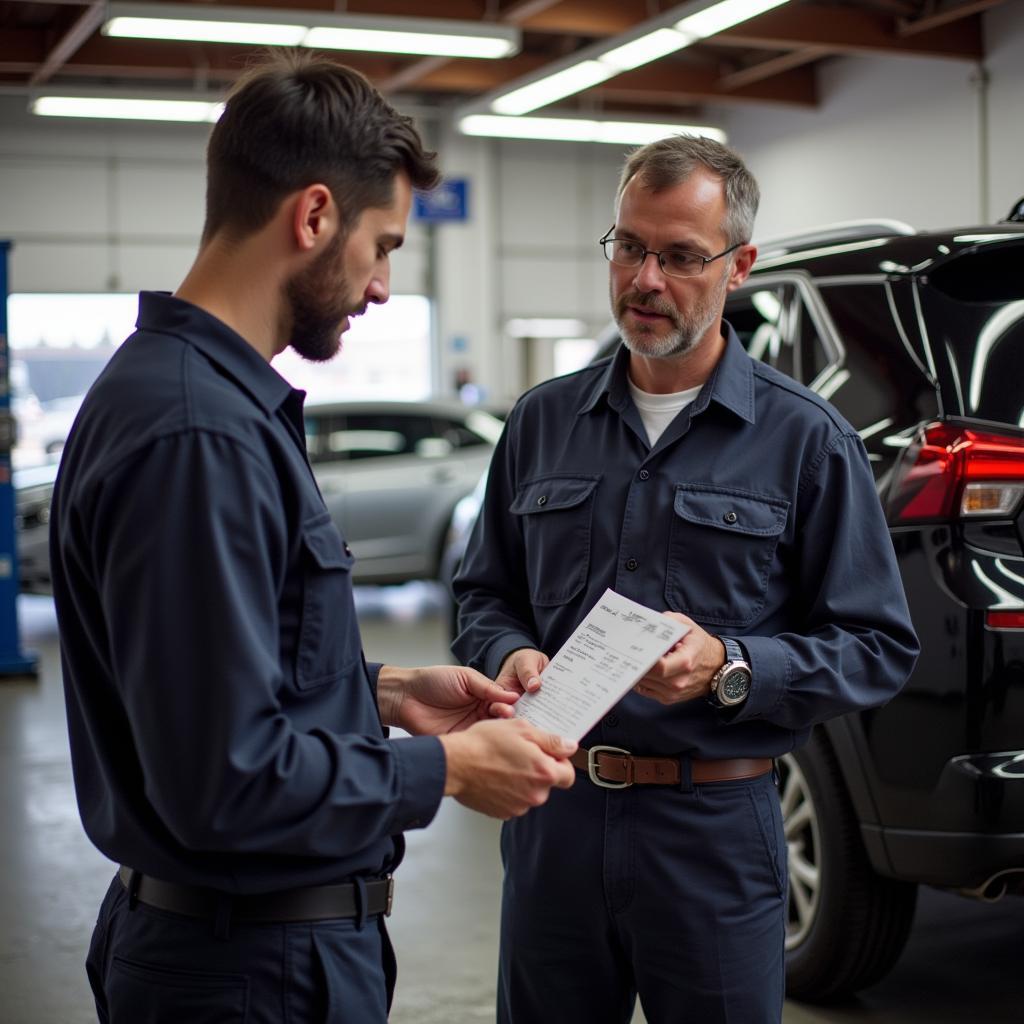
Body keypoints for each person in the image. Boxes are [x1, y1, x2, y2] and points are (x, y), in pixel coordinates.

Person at [50, 52, 577, 1024]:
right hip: (247, 970)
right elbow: (225, 778)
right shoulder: (196, 432)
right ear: (314, 215)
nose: (380, 286)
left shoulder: (193, 399)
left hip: (244, 952)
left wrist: (379, 691)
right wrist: (450, 769)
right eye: (382, 247)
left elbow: (212, 680)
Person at [452, 135, 920, 1023]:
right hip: (555, 816)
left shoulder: (806, 441)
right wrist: (508, 651)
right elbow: (484, 593)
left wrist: (732, 666)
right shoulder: (542, 423)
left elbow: (877, 646)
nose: (645, 280)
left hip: (712, 832)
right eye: (629, 246)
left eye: (679, 256)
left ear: (738, 266)